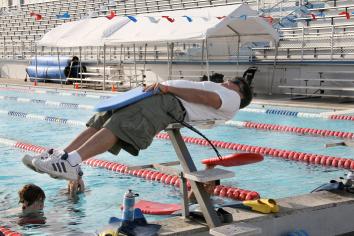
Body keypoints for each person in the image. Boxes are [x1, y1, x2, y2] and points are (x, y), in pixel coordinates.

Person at [23, 77, 253, 181]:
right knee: (102, 118)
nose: (226, 82)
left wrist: (165, 88)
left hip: (168, 103)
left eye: (232, 81)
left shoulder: (233, 97)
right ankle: (61, 157)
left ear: (240, 89)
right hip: (160, 96)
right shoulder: (227, 92)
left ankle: (72, 162)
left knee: (120, 125)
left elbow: (204, 97)